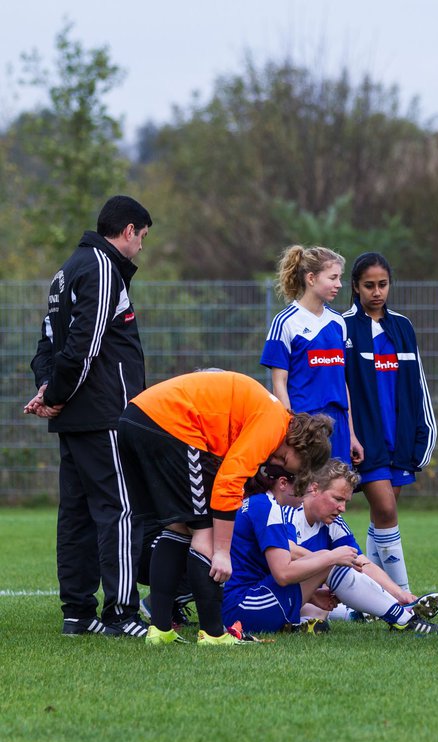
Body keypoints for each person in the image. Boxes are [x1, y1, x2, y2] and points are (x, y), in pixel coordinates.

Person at [116, 370, 333, 646]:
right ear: (300, 448)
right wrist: (221, 552)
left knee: (179, 527)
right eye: (292, 465)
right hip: (171, 426)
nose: (279, 463)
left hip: (136, 419)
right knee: (203, 532)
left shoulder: (270, 414)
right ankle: (213, 633)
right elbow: (228, 483)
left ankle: (160, 630)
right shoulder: (273, 423)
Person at [27, 195, 152, 637]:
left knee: (76, 514)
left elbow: (46, 343)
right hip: (105, 414)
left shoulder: (66, 271)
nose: (140, 248)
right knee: (118, 509)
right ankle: (121, 613)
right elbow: (85, 344)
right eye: (142, 238)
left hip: (76, 415)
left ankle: (77, 614)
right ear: (129, 230)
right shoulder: (102, 266)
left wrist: (47, 390)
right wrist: (56, 393)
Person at [222, 461, 438, 637]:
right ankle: (402, 619)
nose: (343, 508)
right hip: (250, 602)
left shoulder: (331, 523)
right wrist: (328, 559)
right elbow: (283, 565)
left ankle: (386, 609)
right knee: (331, 565)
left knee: (322, 608)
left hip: (267, 596)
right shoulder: (280, 510)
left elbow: (359, 562)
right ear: (314, 489)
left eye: (346, 501)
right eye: (337, 498)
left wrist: (399, 594)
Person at [343, 252, 437, 593]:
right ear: (355, 286)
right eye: (369, 285)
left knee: (383, 514)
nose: (377, 292)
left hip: (398, 437)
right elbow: (341, 386)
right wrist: (347, 435)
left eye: (382, 285)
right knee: (384, 509)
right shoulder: (343, 327)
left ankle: (369, 595)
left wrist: (424, 434)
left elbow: (419, 385)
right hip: (367, 441)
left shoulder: (402, 326)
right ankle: (404, 597)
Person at [261, 245, 363, 466]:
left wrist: (352, 435)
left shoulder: (338, 322)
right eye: (333, 277)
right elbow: (279, 383)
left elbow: (342, 382)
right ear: (311, 278)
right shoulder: (285, 321)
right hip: (305, 424)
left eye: (340, 278)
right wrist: (290, 429)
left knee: (338, 492)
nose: (339, 284)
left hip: (339, 425)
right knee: (307, 493)